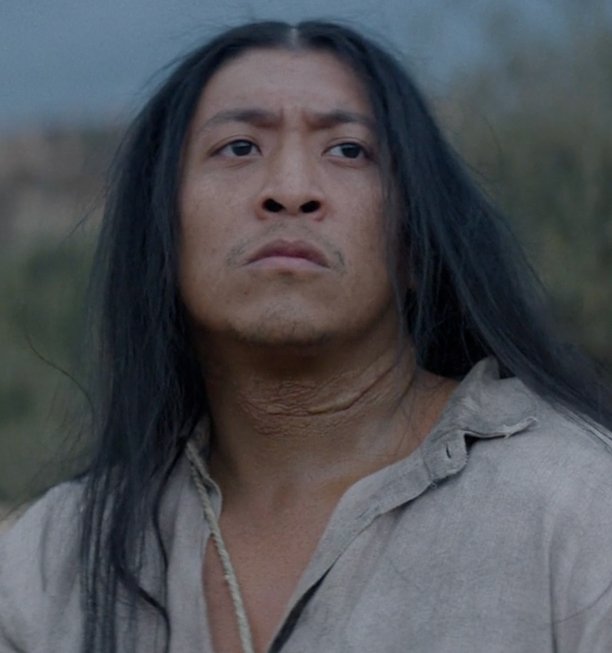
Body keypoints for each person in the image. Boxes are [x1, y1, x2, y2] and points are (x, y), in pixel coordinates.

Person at [1, 19, 611, 653]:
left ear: (415, 241)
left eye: (348, 150)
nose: (291, 191)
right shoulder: (50, 569)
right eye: (239, 147)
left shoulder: (578, 507)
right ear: (163, 235)